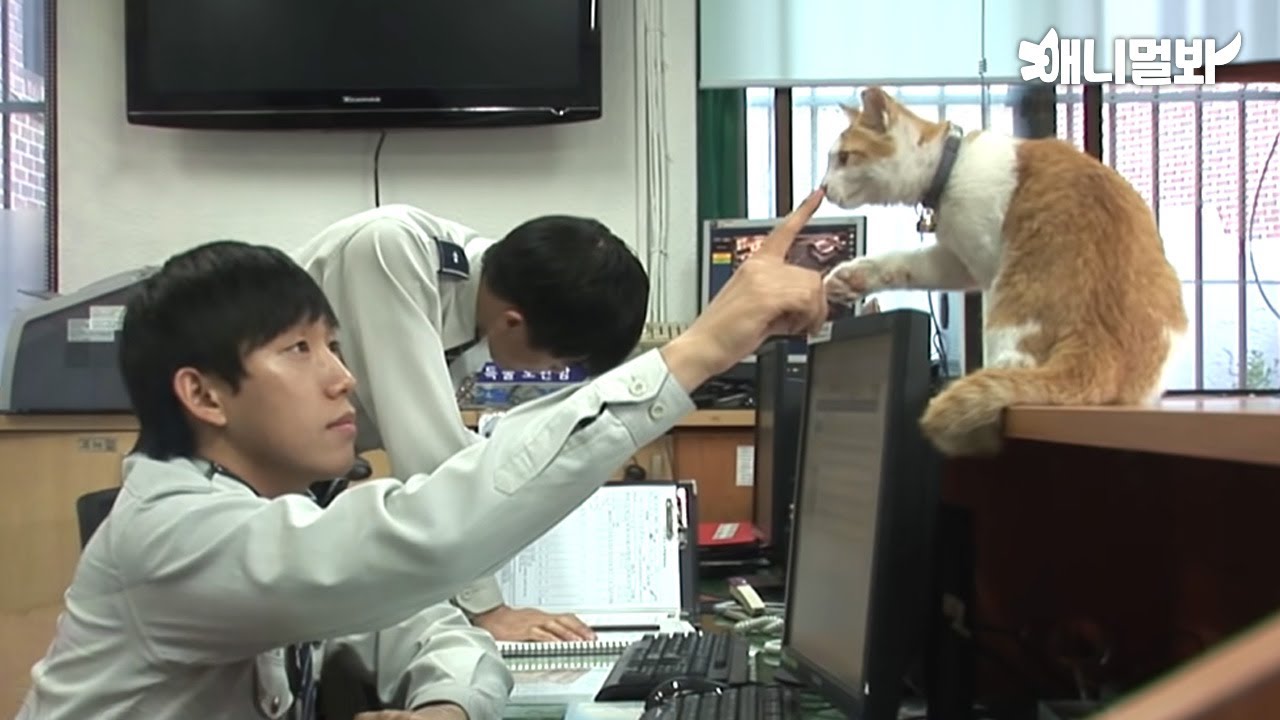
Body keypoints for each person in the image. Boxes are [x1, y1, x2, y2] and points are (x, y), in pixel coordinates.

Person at [18, 190, 828, 719]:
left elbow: (439, 633)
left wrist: (448, 708)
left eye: (335, 346)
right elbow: (426, 532)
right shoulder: (176, 535)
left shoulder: (274, 516)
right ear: (205, 395)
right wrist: (698, 352)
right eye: (300, 351)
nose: (345, 380)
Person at [291, 204, 650, 642]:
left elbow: (445, 441)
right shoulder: (387, 251)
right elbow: (429, 458)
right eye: (560, 362)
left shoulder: (483, 289)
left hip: (308, 489)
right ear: (513, 323)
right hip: (233, 488)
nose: (547, 372)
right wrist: (488, 609)